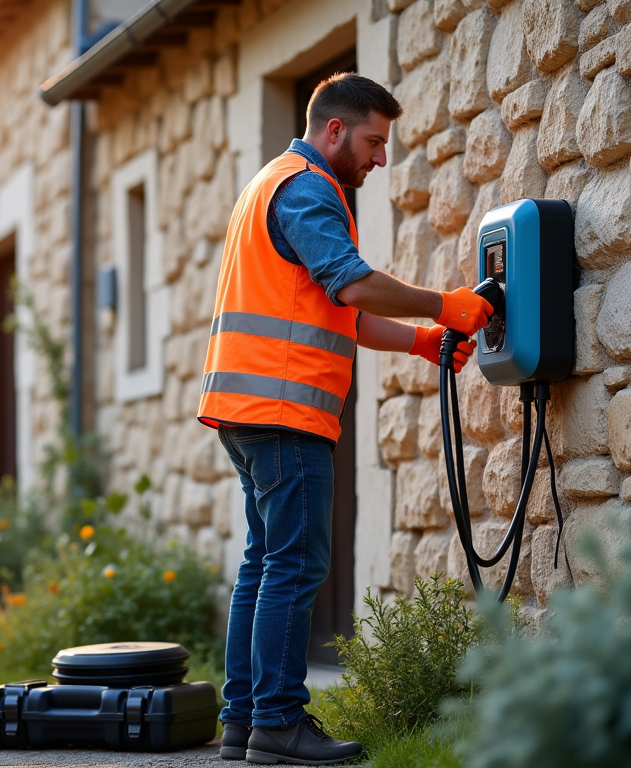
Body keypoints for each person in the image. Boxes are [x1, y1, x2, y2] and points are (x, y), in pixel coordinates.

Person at [197, 72, 494, 765]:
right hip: (283, 410)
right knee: (296, 566)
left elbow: (342, 310)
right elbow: (354, 281)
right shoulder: (307, 189)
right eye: (373, 140)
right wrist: (440, 305)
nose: (380, 157)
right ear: (334, 130)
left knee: (264, 564)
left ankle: (243, 721)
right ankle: (278, 723)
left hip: (249, 409)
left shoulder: (270, 183)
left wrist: (420, 341)